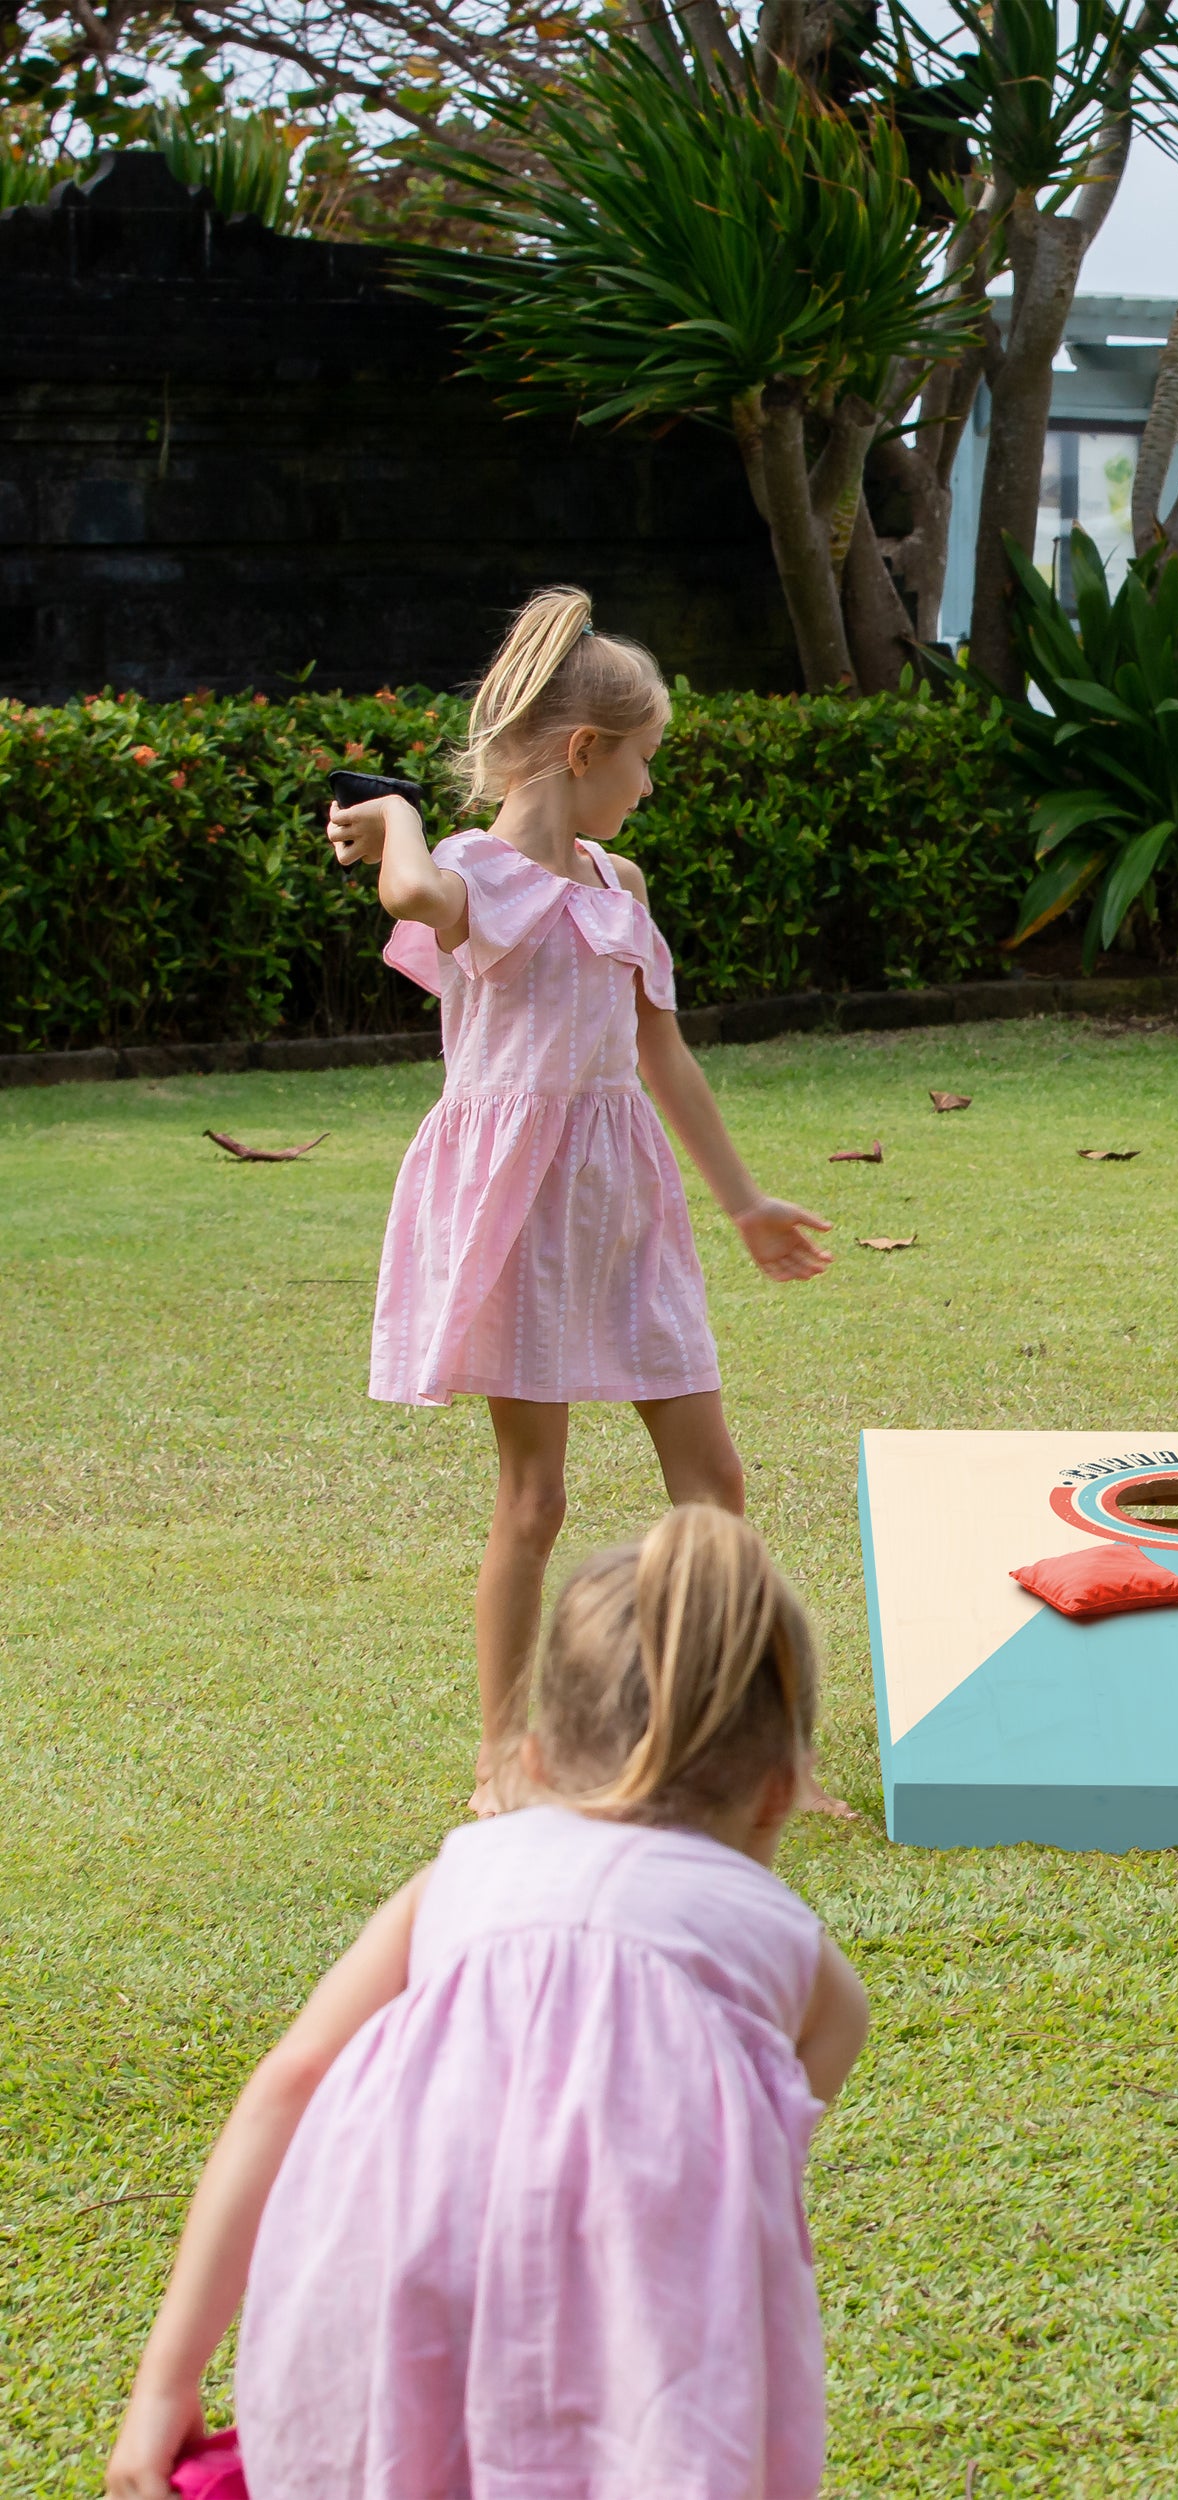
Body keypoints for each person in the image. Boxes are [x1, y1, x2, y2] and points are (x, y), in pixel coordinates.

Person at [104, 1506, 870, 2500]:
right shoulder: (795, 1951)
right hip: (639, 2357)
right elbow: (744, 2184)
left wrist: (164, 2378)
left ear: (538, 1759)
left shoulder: (465, 1869)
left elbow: (291, 2080)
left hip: (392, 2284)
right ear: (783, 1789)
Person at [326, 588, 835, 1813]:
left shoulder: (621, 881)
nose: (649, 786)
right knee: (534, 1496)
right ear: (582, 751)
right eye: (645, 760)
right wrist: (395, 811)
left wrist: (747, 1203)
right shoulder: (470, 873)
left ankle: (765, 1751)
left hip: (625, 1205)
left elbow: (663, 1057)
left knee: (715, 1482)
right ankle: (508, 1759)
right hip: (517, 1215)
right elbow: (408, 900)